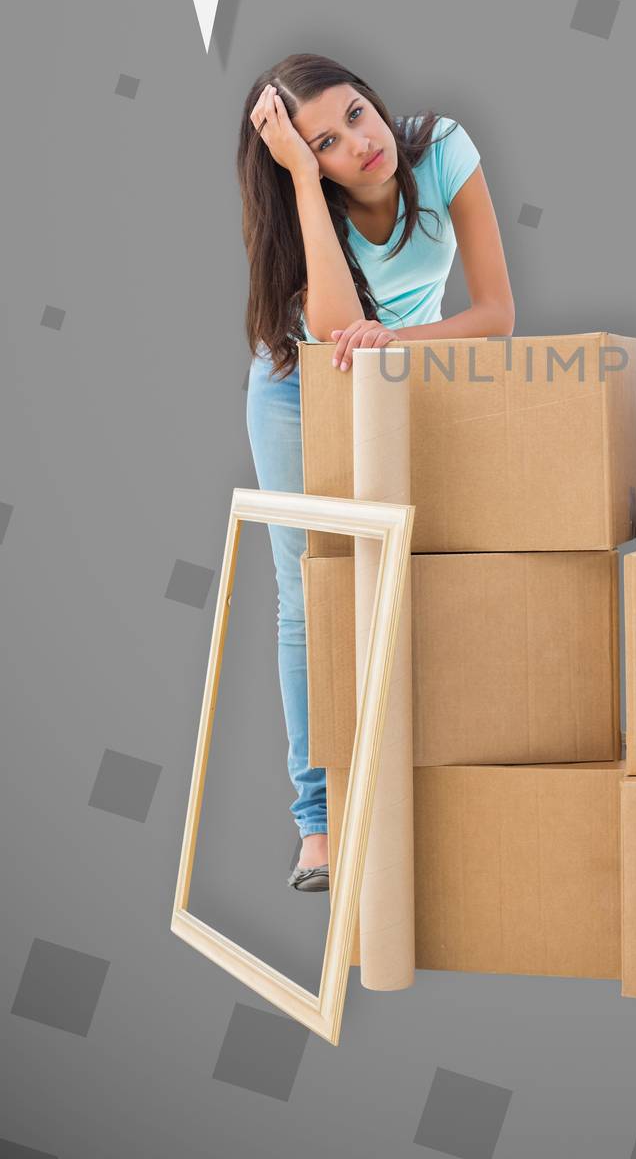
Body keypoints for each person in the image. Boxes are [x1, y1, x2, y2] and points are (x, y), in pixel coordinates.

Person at [237, 52, 515, 890]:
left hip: (404, 369)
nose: (361, 143)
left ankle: (427, 788)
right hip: (298, 386)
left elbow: (496, 315)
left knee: (420, 572)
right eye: (324, 140)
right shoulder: (304, 209)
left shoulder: (441, 149)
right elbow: (331, 333)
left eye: (357, 113)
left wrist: (399, 345)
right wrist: (296, 177)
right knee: (310, 593)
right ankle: (316, 824)